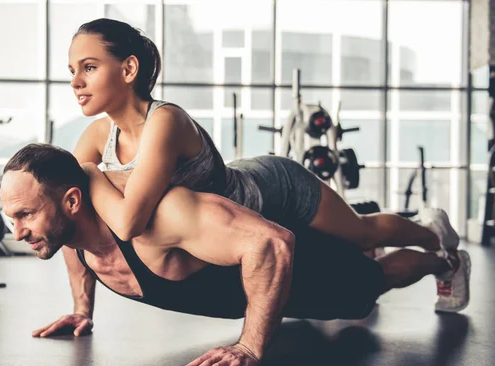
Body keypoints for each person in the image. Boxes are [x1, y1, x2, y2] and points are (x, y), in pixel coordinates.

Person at [66, 18, 461, 305]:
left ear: (129, 68)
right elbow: (68, 212)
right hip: (242, 218)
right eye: (72, 71)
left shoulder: (164, 120)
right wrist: (82, 308)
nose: (75, 82)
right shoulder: (100, 136)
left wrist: (89, 175)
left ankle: (433, 234)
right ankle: (429, 246)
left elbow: (129, 222)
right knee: (349, 255)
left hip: (275, 190)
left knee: (361, 234)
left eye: (89, 67)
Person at [0, 143, 472, 366]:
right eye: (11, 217)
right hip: (244, 251)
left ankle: (444, 258)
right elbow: (74, 247)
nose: (18, 232)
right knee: (354, 276)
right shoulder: (72, 229)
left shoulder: (159, 218)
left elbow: (273, 244)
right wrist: (83, 309)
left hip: (278, 230)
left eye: (25, 215)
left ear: (74, 202)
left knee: (365, 290)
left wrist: (249, 346)